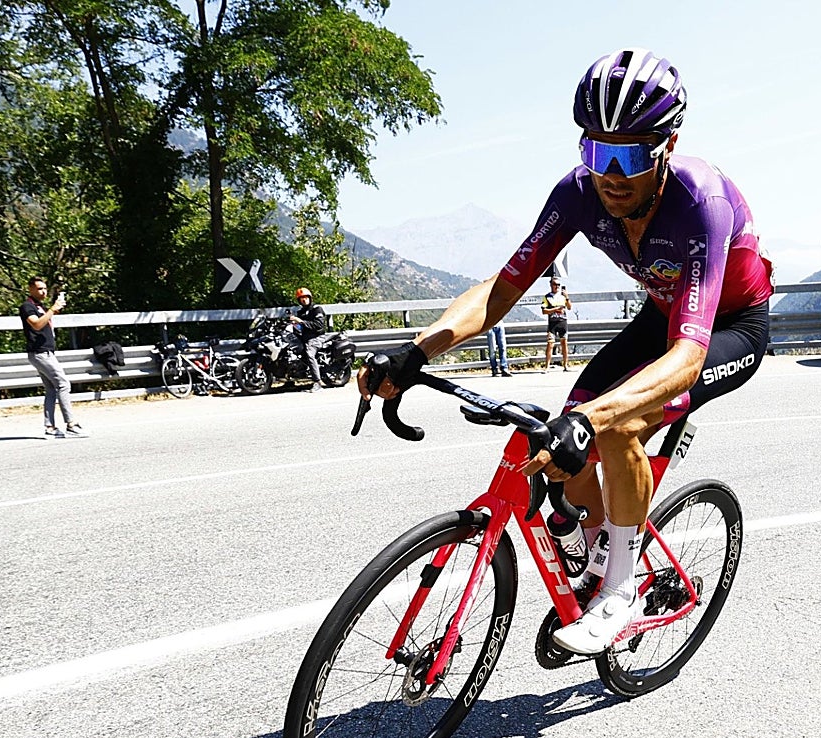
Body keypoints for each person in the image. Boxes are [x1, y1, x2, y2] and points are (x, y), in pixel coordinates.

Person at [356, 49, 773, 654]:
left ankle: (620, 593)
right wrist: (416, 352)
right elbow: (502, 291)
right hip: (662, 316)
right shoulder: (578, 194)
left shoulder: (699, 202)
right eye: (597, 151)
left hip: (728, 328)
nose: (613, 173)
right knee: (565, 433)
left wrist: (595, 420)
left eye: (631, 154)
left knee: (613, 426)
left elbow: (686, 355)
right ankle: (604, 539)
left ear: (669, 143)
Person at [19, 276, 85, 438]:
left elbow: (45, 321)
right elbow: (36, 324)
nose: (43, 291)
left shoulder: (40, 306)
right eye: (40, 288)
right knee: (63, 384)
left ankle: (50, 427)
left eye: (45, 288)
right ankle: (71, 424)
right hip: (40, 353)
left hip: (46, 352)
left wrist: (52, 310)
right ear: (31, 289)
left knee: (51, 389)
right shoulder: (27, 306)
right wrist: (52, 310)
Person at [289, 287, 328, 390]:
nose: (304, 300)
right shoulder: (301, 312)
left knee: (309, 353)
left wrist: (301, 322)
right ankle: (289, 379)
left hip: (317, 337)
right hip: (304, 337)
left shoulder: (316, 309)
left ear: (310, 298)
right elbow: (300, 328)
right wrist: (293, 325)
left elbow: (318, 325)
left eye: (306, 297)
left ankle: (317, 382)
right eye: (301, 298)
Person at [541, 278, 572, 370]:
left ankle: (565, 365)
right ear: (551, 285)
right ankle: (547, 367)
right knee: (550, 344)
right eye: (555, 284)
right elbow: (544, 311)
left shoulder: (563, 296)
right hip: (552, 323)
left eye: (558, 284)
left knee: (564, 343)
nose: (557, 286)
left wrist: (567, 297)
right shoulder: (547, 297)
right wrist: (555, 309)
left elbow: (569, 307)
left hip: (562, 322)